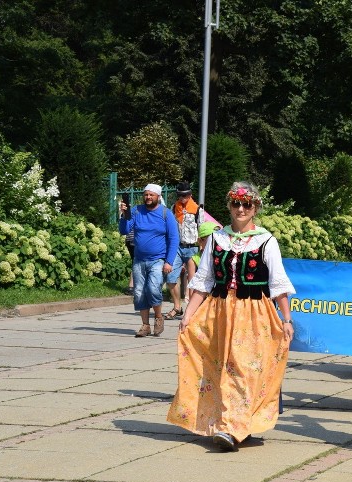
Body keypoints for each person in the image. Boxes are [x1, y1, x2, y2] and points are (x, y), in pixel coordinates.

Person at [167, 182, 295, 451]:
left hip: (254, 313)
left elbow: (278, 283)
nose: (240, 209)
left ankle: (234, 428)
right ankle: (226, 423)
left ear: (255, 208)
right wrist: (188, 315)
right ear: (229, 206)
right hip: (220, 311)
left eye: (246, 204)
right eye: (236, 204)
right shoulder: (217, 238)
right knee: (217, 367)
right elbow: (203, 280)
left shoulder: (266, 240)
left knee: (245, 368)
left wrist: (286, 320)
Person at [118, 183, 179, 338]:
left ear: (158, 197)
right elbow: (124, 230)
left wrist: (169, 261)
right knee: (138, 293)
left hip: (158, 259)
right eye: (146, 194)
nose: (148, 197)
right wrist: (124, 215)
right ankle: (145, 325)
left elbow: (173, 239)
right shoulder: (137, 211)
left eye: (151, 195)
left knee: (153, 289)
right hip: (139, 259)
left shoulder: (166, 214)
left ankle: (158, 317)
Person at [165, 182, 201, 320]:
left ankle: (191, 311)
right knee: (170, 277)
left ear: (190, 195)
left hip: (192, 248)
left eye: (185, 195)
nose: (182, 198)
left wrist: (202, 246)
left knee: (192, 281)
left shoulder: (197, 209)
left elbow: (201, 228)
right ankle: (177, 307)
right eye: (180, 195)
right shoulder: (174, 208)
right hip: (177, 247)